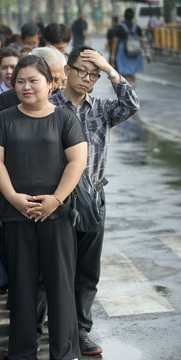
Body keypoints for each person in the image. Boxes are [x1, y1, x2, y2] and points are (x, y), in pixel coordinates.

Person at [0, 55, 88, 360]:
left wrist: (55, 199)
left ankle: (65, 352)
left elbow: (77, 161)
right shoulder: (4, 118)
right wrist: (15, 198)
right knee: (22, 287)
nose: (26, 86)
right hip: (16, 216)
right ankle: (22, 351)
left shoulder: (65, 118)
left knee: (60, 288)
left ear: (51, 84)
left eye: (33, 80)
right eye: (20, 81)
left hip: (56, 216)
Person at [50, 45, 139, 356]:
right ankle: (39, 330)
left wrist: (110, 69)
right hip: (56, 199)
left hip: (93, 197)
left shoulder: (101, 108)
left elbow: (131, 104)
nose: (87, 79)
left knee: (87, 271)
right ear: (67, 71)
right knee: (50, 269)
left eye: (94, 75)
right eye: (81, 71)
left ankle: (80, 330)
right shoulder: (49, 107)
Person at [110, 8, 151, 86]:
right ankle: (133, 86)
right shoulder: (137, 27)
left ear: (124, 16)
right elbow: (142, 41)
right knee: (132, 72)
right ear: (133, 17)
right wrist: (147, 53)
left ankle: (128, 88)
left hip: (123, 52)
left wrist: (113, 55)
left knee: (125, 72)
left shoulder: (120, 27)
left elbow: (115, 41)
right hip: (135, 51)